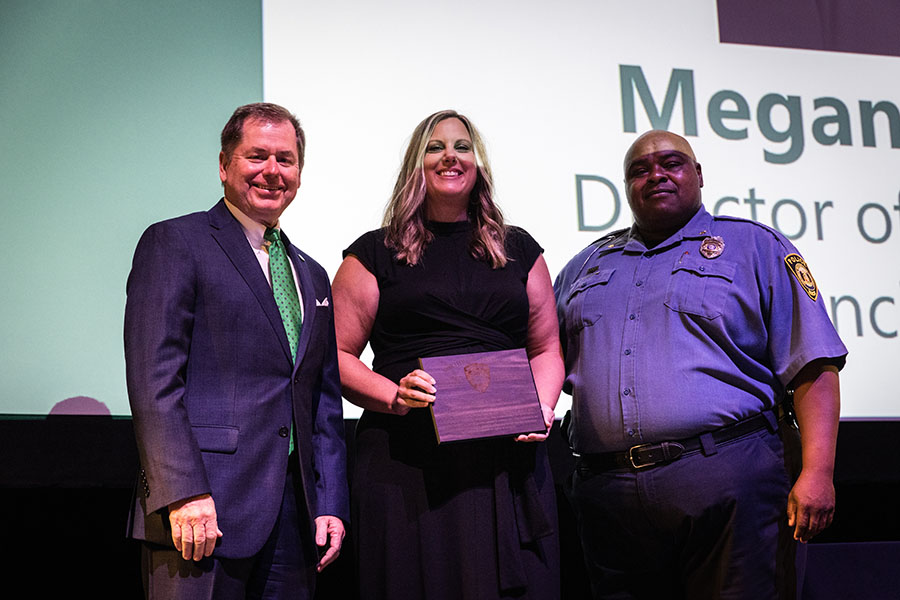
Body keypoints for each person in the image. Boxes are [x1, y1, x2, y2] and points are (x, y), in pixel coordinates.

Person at [554, 130, 847, 599]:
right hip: (609, 497)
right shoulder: (584, 266)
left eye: (671, 163)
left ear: (699, 174)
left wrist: (817, 472)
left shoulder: (755, 246)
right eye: (639, 170)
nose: (656, 175)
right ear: (626, 186)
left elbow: (812, 365)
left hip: (730, 480)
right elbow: (540, 361)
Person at [332, 110, 564, 599]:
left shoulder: (519, 249)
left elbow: (545, 347)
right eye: (435, 147)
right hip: (407, 462)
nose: (450, 157)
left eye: (462, 147)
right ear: (417, 164)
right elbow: (336, 355)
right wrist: (395, 396)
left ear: (478, 164)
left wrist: (543, 406)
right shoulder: (373, 253)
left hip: (508, 461)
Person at [125, 102, 349, 599]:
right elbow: (153, 381)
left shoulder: (310, 272)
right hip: (202, 511)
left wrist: (330, 499)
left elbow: (322, 401)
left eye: (286, 160)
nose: (272, 171)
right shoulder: (176, 242)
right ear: (224, 165)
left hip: (296, 519)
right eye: (257, 156)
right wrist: (183, 491)